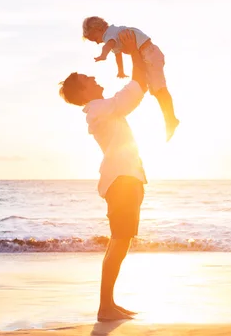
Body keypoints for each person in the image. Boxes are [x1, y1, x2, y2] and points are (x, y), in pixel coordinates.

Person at [59, 30, 146, 322]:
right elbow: (132, 94)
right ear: (83, 92)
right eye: (88, 79)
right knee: (120, 240)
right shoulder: (98, 109)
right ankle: (105, 307)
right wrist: (135, 54)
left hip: (127, 179)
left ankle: (108, 304)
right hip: (121, 181)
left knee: (120, 241)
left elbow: (129, 96)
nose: (95, 79)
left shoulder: (102, 109)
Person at [82, 16, 180, 141]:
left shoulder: (109, 35)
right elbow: (117, 54)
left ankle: (171, 119)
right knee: (156, 91)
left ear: (97, 29)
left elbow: (107, 46)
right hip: (146, 54)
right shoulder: (113, 35)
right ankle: (170, 119)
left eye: (94, 38)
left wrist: (103, 55)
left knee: (160, 89)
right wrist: (121, 71)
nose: (96, 42)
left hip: (149, 53)